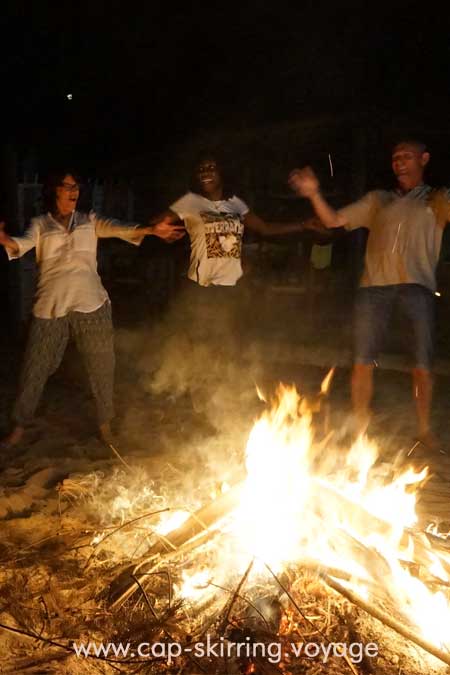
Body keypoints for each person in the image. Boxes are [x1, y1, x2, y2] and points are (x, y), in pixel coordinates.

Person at [0, 170, 185, 448]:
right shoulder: (40, 224)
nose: (74, 191)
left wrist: (150, 230)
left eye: (76, 187)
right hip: (51, 306)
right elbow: (20, 244)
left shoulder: (89, 221)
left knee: (101, 366)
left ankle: (105, 425)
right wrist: (4, 239)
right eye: (67, 186)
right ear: (55, 190)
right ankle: (20, 426)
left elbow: (120, 228)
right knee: (35, 367)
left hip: (92, 304)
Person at [289, 140, 450, 449]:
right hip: (373, 287)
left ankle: (424, 431)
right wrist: (313, 193)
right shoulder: (379, 200)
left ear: (424, 159)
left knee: (423, 363)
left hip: (418, 287)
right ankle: (360, 428)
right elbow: (333, 220)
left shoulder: (438, 198)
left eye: (406, 156)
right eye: (395, 157)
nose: (399, 162)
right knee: (363, 361)